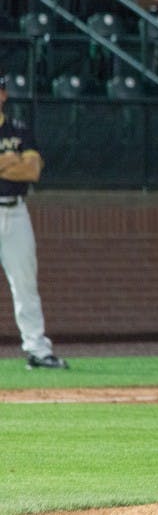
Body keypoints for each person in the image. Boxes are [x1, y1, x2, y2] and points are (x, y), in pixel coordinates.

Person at [0, 71, 68, 370]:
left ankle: (38, 350)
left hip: (15, 213)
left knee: (25, 284)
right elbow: (20, 164)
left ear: (2, 95)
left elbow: (32, 171)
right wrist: (11, 162)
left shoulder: (18, 128)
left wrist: (15, 166)